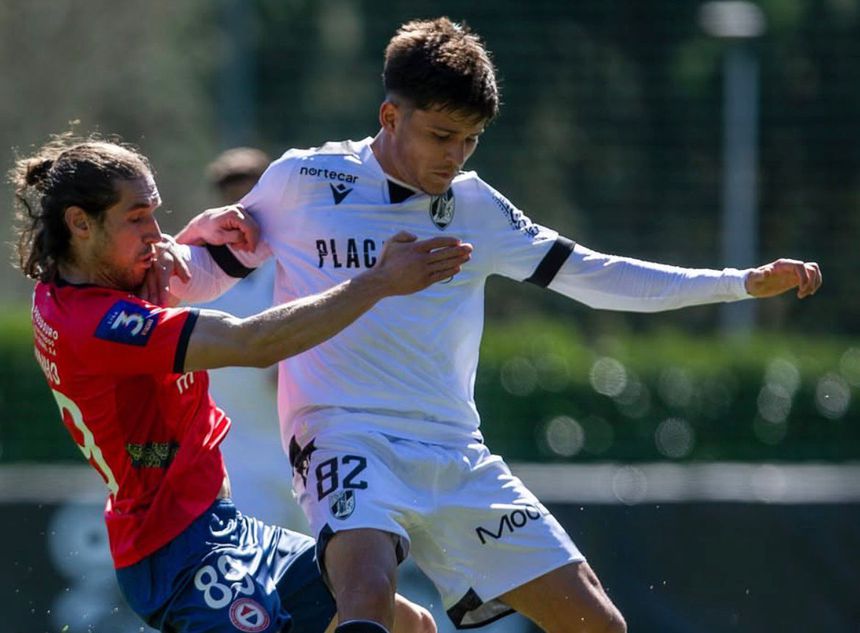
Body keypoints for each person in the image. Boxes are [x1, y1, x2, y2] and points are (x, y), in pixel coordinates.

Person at [173, 17, 822, 633]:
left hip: (456, 451)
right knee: (366, 594)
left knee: (598, 621)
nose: (455, 154)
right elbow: (208, 270)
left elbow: (597, 276)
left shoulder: (477, 208)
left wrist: (738, 282)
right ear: (390, 116)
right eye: (440, 135)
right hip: (343, 434)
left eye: (470, 139)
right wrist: (144, 271)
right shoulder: (302, 181)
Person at [12, 134, 472, 633]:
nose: (155, 234)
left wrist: (189, 235)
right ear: (79, 223)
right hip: (177, 554)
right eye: (138, 217)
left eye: (155, 214)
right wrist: (380, 282)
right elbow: (254, 343)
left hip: (223, 525)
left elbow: (150, 263)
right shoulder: (99, 324)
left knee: (411, 624)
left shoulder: (74, 280)